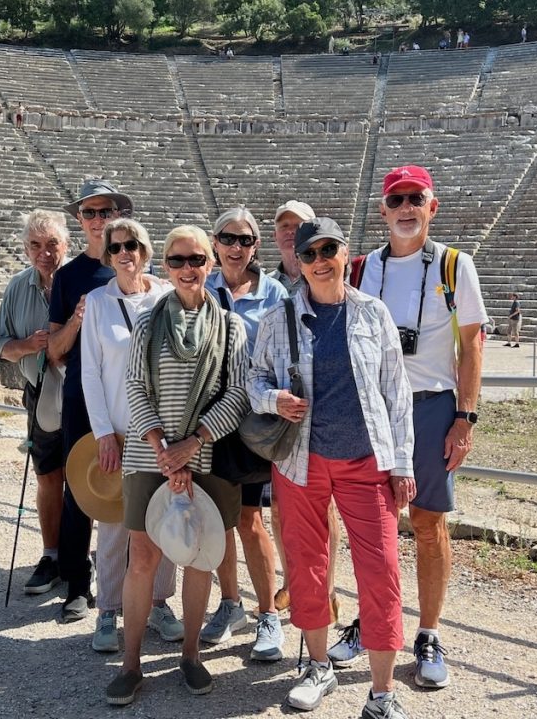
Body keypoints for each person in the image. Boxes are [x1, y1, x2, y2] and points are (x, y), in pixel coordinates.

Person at [250, 217, 415, 718]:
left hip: (367, 460)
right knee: (307, 566)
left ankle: (382, 693)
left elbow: (396, 392)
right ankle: (318, 665)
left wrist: (403, 463)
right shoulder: (279, 317)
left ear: (345, 253)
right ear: (298, 263)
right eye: (309, 254)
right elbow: (254, 380)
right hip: (301, 461)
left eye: (328, 250)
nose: (320, 261)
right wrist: (274, 399)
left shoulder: (372, 313)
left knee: (381, 570)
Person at [337, 165, 486, 690]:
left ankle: (428, 632)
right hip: (372, 409)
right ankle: (372, 620)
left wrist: (464, 417)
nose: (406, 208)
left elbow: (472, 345)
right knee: (369, 525)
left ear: (432, 207)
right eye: (396, 199)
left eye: (415, 198)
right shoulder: (359, 268)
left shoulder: (453, 265)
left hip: (429, 407)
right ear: (382, 210)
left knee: (427, 521)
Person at [105, 225, 249, 706]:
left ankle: (190, 654)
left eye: (197, 259)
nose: (187, 269)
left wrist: (192, 444)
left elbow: (237, 394)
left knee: (199, 558)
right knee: (143, 559)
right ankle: (131, 663)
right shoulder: (148, 323)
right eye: (177, 260)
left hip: (206, 455)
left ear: (211, 264)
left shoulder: (231, 327)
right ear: (164, 265)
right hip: (150, 455)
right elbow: (135, 387)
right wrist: (164, 449)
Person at [81, 218, 183, 653]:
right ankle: (107, 609)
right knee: (114, 526)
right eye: (117, 247)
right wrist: (103, 433)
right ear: (108, 255)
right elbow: (90, 371)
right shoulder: (97, 303)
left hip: (163, 431)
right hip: (120, 432)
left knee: (165, 520)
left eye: (133, 245)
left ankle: (159, 602)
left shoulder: (166, 296)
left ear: (145, 251)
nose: (125, 253)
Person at [201, 208, 287, 662]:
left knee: (251, 520)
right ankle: (230, 603)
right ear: (215, 242)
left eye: (245, 240)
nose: (236, 247)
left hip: (254, 422)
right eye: (228, 238)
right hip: (211, 418)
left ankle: (268, 613)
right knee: (218, 519)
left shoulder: (274, 293)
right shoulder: (201, 284)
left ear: (256, 246)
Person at [49, 179, 133, 623]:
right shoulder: (68, 277)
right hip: (82, 397)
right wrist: (78, 321)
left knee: (134, 485)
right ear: (80, 220)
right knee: (81, 487)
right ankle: (78, 585)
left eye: (106, 211)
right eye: (90, 212)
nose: (98, 220)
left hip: (129, 397)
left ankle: (130, 584)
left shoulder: (132, 265)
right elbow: (55, 349)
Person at [267, 201, 342, 621]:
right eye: (284, 226)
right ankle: (293, 580)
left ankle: (325, 588)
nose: (289, 232)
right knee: (280, 507)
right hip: (281, 414)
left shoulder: (327, 273)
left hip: (323, 413)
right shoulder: (270, 284)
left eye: (297, 226)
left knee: (323, 509)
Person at [0, 209, 70, 595]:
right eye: (36, 245)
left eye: (52, 244)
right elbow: (1, 346)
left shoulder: (80, 283)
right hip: (39, 392)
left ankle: (79, 556)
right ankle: (51, 555)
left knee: (85, 475)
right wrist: (28, 345)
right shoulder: (16, 287)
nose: (45, 253)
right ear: (26, 249)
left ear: (65, 246)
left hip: (80, 394)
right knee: (47, 476)